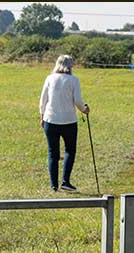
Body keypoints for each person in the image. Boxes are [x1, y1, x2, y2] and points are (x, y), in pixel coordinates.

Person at [39, 54, 90, 192]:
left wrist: (42, 115)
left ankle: (54, 185)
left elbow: (43, 100)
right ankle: (65, 181)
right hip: (69, 121)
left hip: (51, 120)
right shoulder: (74, 80)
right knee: (70, 150)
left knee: (52, 153)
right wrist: (84, 109)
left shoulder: (50, 78)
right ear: (70, 66)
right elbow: (78, 101)